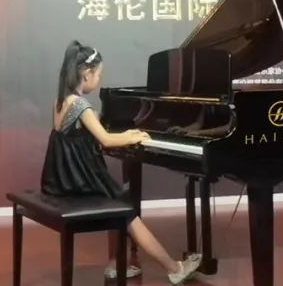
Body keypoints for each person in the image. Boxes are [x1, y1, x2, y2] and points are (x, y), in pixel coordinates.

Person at [41, 40, 202, 284]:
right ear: (87, 74)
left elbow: (74, 136)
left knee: (116, 200)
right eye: (99, 75)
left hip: (63, 179)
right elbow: (106, 140)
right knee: (127, 213)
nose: (99, 80)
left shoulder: (60, 101)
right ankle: (174, 267)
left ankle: (117, 264)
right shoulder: (81, 105)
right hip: (81, 181)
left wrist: (112, 127)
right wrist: (132, 136)